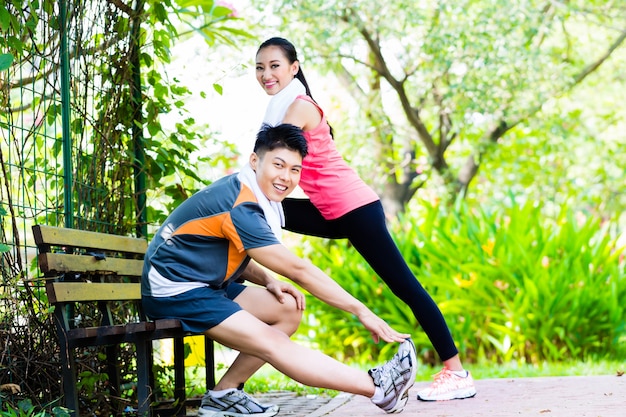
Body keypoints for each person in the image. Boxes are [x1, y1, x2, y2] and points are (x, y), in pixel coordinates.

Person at [254, 37, 477, 402]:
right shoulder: (287, 105)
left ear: (294, 68)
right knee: (264, 209)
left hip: (355, 210)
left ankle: (456, 372)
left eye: (274, 65)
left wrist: (244, 179)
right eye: (260, 68)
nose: (266, 74)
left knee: (406, 287)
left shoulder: (299, 106)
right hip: (333, 211)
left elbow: (273, 149)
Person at [141, 123, 417, 417]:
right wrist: (361, 310)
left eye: (295, 170)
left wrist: (268, 280)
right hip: (175, 290)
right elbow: (299, 270)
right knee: (272, 343)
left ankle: (224, 395)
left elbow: (227, 250)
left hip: (204, 283)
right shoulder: (241, 204)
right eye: (279, 165)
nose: (286, 177)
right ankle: (379, 388)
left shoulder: (248, 191)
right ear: (255, 161)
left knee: (287, 308)